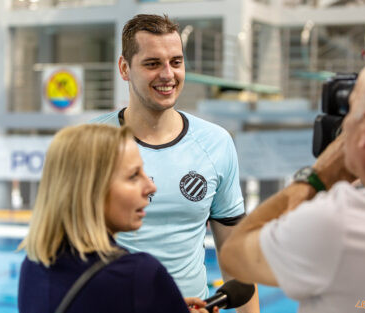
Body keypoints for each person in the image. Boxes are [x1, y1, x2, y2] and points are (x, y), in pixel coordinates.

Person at [219, 41, 365, 312]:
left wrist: (318, 176)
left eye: (351, 110)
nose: (344, 123)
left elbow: (234, 256)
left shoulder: (343, 223)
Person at [91, 14, 259, 312]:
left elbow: (236, 256)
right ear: (124, 68)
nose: (168, 74)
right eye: (152, 63)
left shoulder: (216, 143)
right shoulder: (90, 143)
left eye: (176, 62)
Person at [17, 124, 217, 313]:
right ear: (92, 190)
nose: (150, 187)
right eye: (133, 176)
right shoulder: (138, 275)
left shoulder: (33, 265)